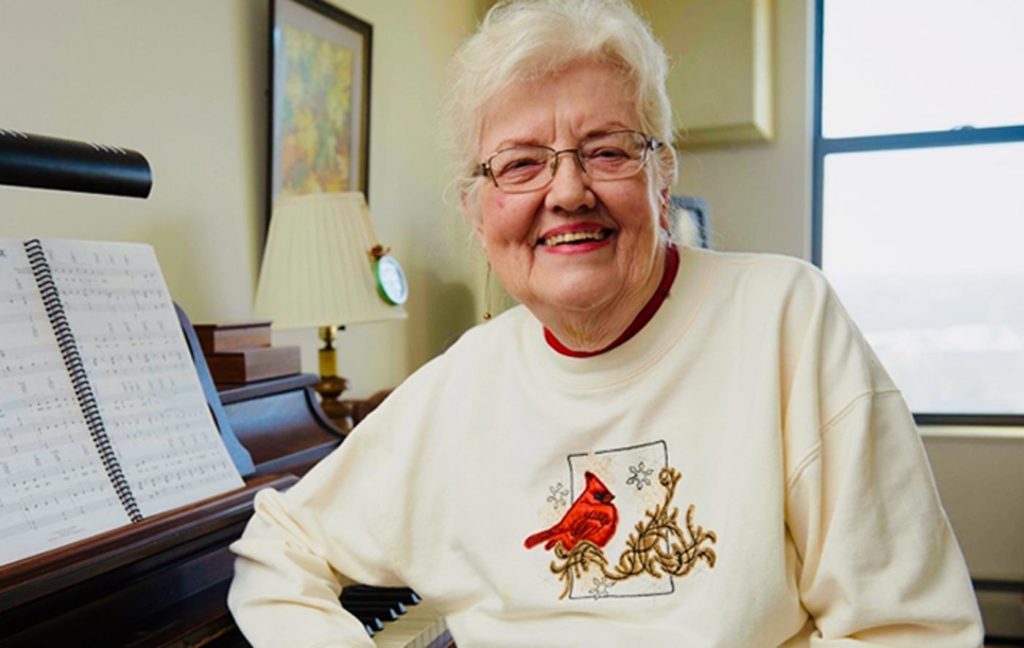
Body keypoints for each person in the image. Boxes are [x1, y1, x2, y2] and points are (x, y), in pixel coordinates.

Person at [228, 1, 984, 645]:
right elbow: (278, 548)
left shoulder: (787, 320)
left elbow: (909, 628)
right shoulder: (459, 384)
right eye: (520, 164)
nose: (567, 191)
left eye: (606, 151)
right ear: (477, 212)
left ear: (662, 180)